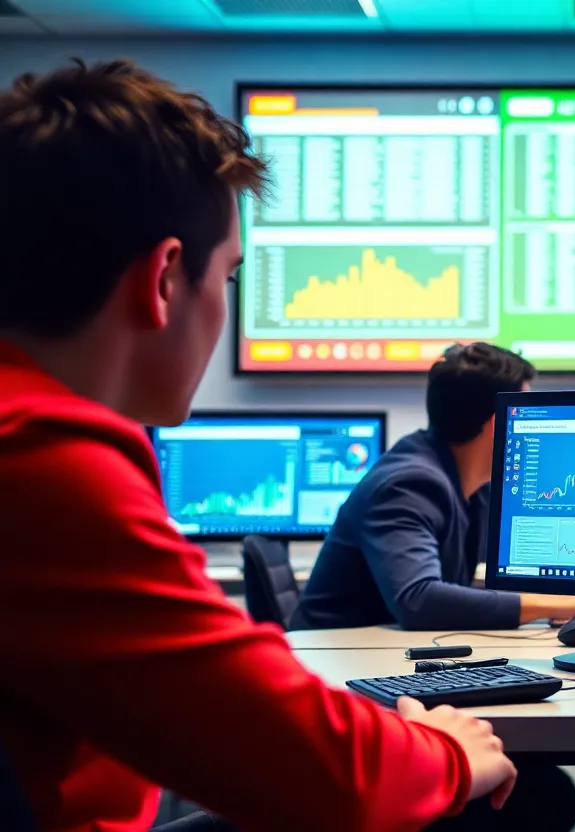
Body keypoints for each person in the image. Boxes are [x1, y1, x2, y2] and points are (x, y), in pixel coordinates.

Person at [0, 59, 516, 832]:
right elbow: (318, 769)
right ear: (166, 278)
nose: (224, 306)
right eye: (232, 278)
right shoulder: (44, 457)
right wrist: (440, 750)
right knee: (455, 806)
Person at [290, 342, 575, 632]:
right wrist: (551, 604)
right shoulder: (408, 485)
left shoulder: (471, 483)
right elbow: (419, 599)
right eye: (527, 414)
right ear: (501, 422)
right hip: (335, 667)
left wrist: (569, 597)